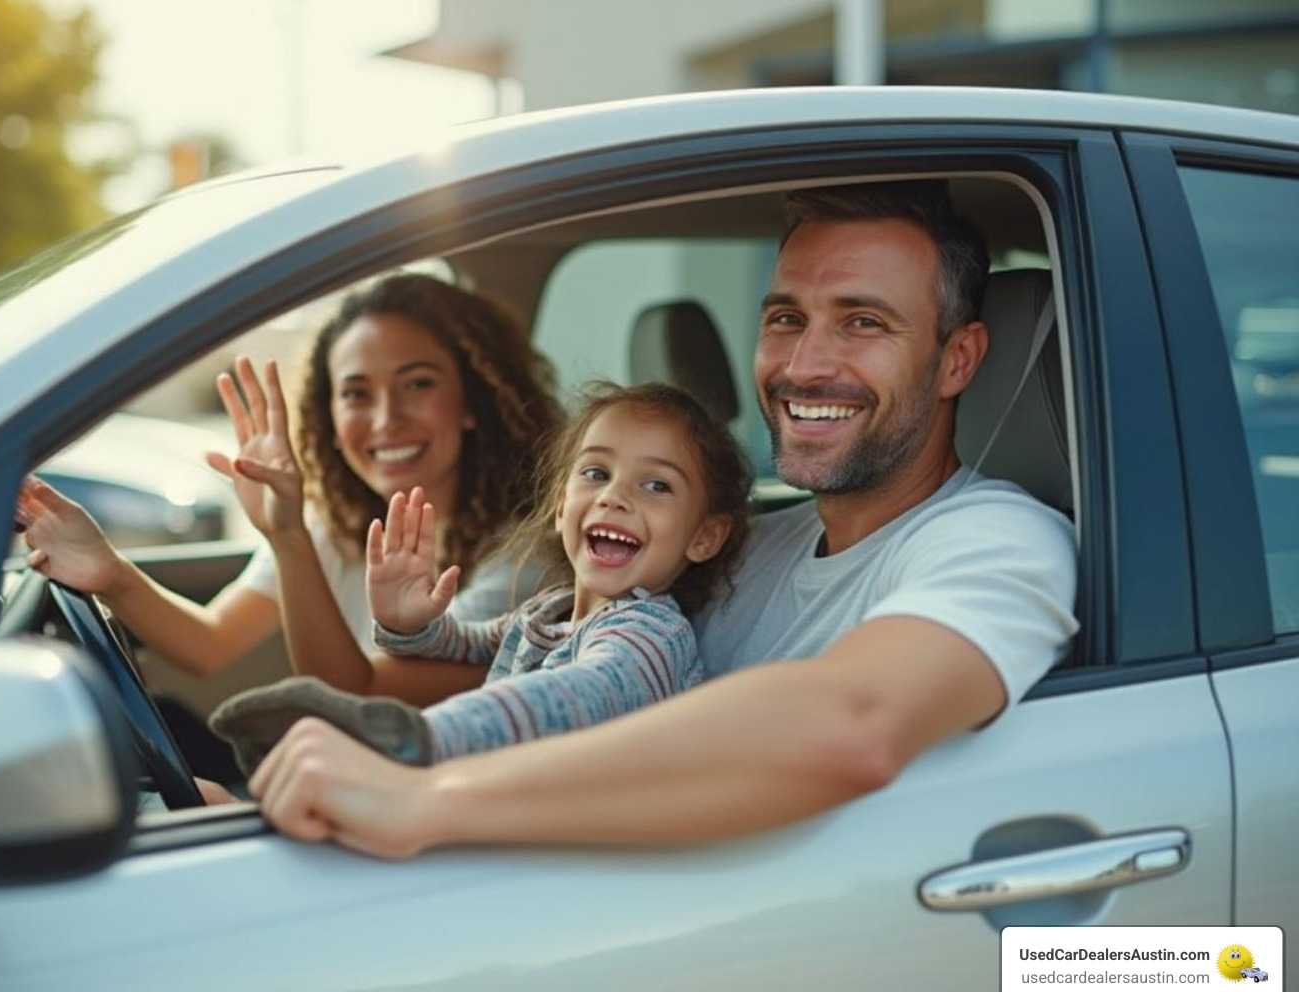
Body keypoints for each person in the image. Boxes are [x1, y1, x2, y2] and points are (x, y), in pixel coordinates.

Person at [211, 181, 1080, 860]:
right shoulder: (747, 543)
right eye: (786, 318)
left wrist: (426, 788)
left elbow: (850, 727)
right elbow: (516, 662)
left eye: (863, 322)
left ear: (958, 358)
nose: (807, 364)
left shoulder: (999, 541)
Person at [16, 274, 564, 716]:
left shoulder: (525, 564)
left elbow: (363, 700)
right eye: (355, 393)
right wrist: (109, 572)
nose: (385, 419)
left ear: (472, 401)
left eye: (418, 383)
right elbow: (207, 646)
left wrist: (288, 537)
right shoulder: (339, 524)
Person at [206, 382, 752, 773]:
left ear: (704, 536)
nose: (614, 496)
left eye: (657, 486)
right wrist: (410, 624)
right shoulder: (553, 610)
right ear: (562, 506)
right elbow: (471, 646)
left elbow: (568, 698)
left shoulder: (649, 636)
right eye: (595, 473)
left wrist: (419, 737)